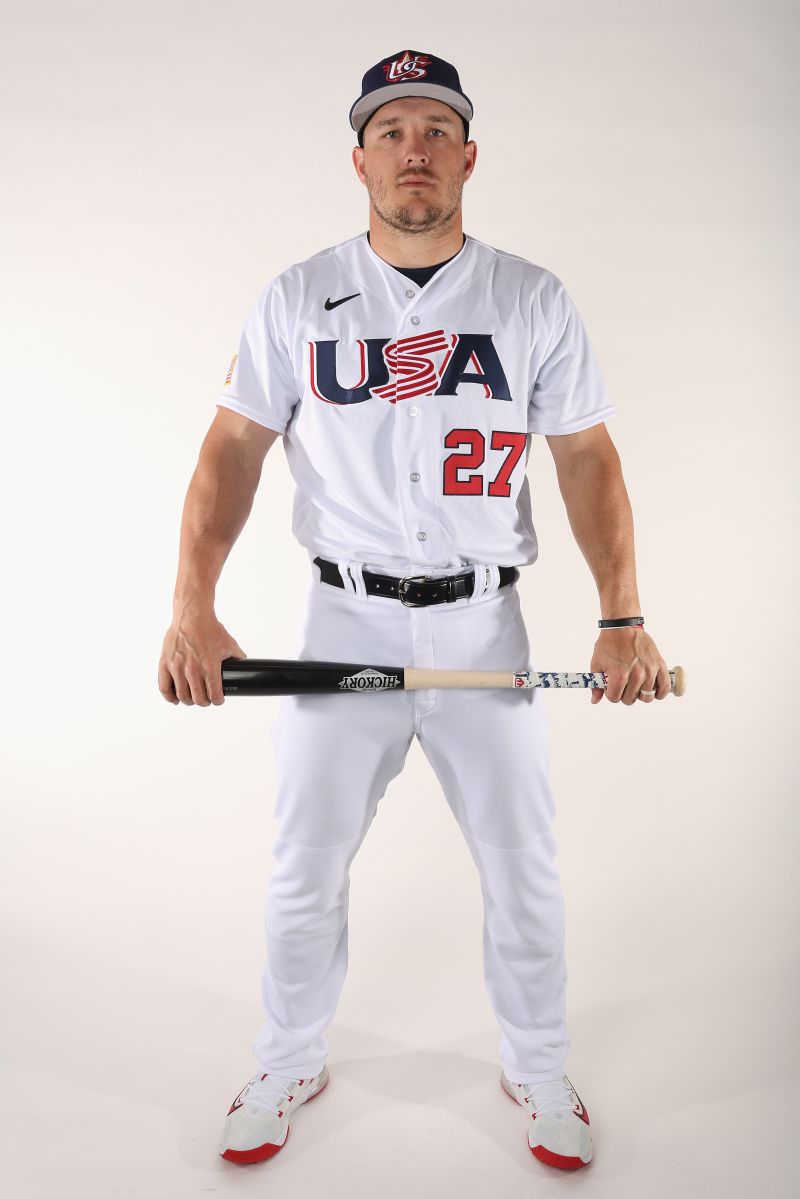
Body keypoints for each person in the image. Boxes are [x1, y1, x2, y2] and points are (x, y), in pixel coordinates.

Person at [158, 48, 670, 1173]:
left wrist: (621, 616)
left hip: (485, 621)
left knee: (520, 860)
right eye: (390, 132)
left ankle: (535, 1063)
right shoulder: (297, 293)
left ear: (468, 155)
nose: (414, 151)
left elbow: (587, 459)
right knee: (305, 859)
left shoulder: (530, 296)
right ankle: (288, 1055)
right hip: (341, 619)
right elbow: (230, 453)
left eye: (435, 130)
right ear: (358, 160)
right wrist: (193, 605)